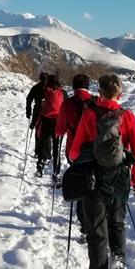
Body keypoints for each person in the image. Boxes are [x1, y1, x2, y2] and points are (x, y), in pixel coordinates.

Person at [69, 74, 135, 269]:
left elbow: (74, 152)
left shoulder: (89, 115)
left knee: (96, 231)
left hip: (94, 179)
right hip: (120, 178)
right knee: (117, 224)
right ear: (120, 94)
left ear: (99, 92)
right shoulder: (127, 117)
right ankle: (119, 268)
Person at [56, 73, 94, 235]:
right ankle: (96, 218)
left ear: (73, 86)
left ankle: (84, 224)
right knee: (94, 183)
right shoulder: (96, 101)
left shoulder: (67, 103)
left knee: (81, 187)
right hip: (95, 151)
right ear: (88, 85)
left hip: (74, 151)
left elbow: (59, 129)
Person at [34, 74, 63, 178]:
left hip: (46, 121)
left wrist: (34, 121)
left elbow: (38, 106)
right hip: (58, 122)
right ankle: (56, 172)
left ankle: (40, 166)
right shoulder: (62, 91)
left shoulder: (44, 90)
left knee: (43, 143)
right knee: (57, 148)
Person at [25, 72, 48, 160]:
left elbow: (29, 99)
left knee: (38, 132)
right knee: (47, 133)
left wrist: (28, 112)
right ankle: (47, 154)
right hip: (49, 113)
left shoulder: (36, 87)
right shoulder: (50, 88)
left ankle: (37, 153)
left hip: (37, 111)